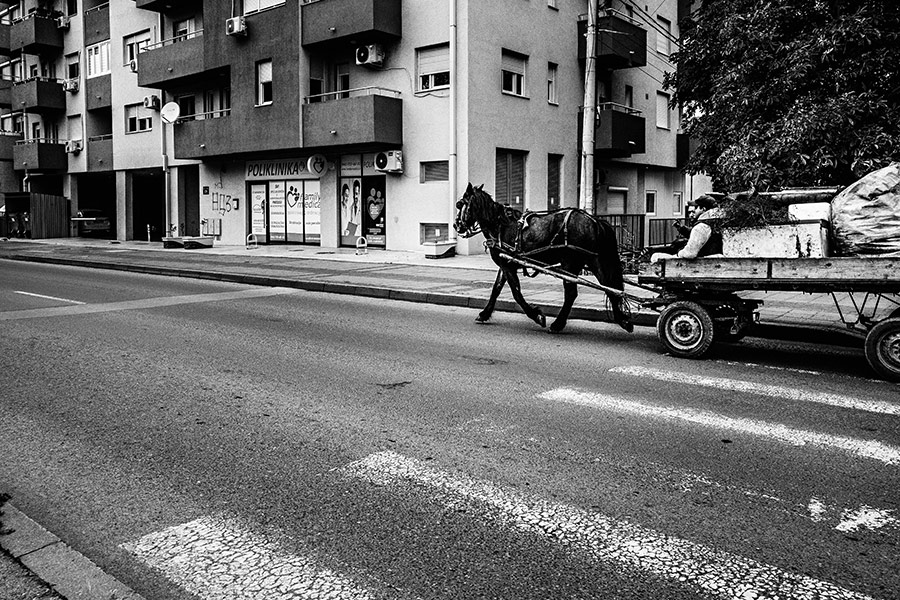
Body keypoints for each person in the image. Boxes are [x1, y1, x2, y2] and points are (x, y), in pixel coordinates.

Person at [650, 195, 724, 262]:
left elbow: (689, 254)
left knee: (655, 256)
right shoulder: (717, 223)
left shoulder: (702, 226)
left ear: (703, 209)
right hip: (712, 260)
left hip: (699, 264)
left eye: (696, 207)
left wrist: (679, 253)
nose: (694, 211)